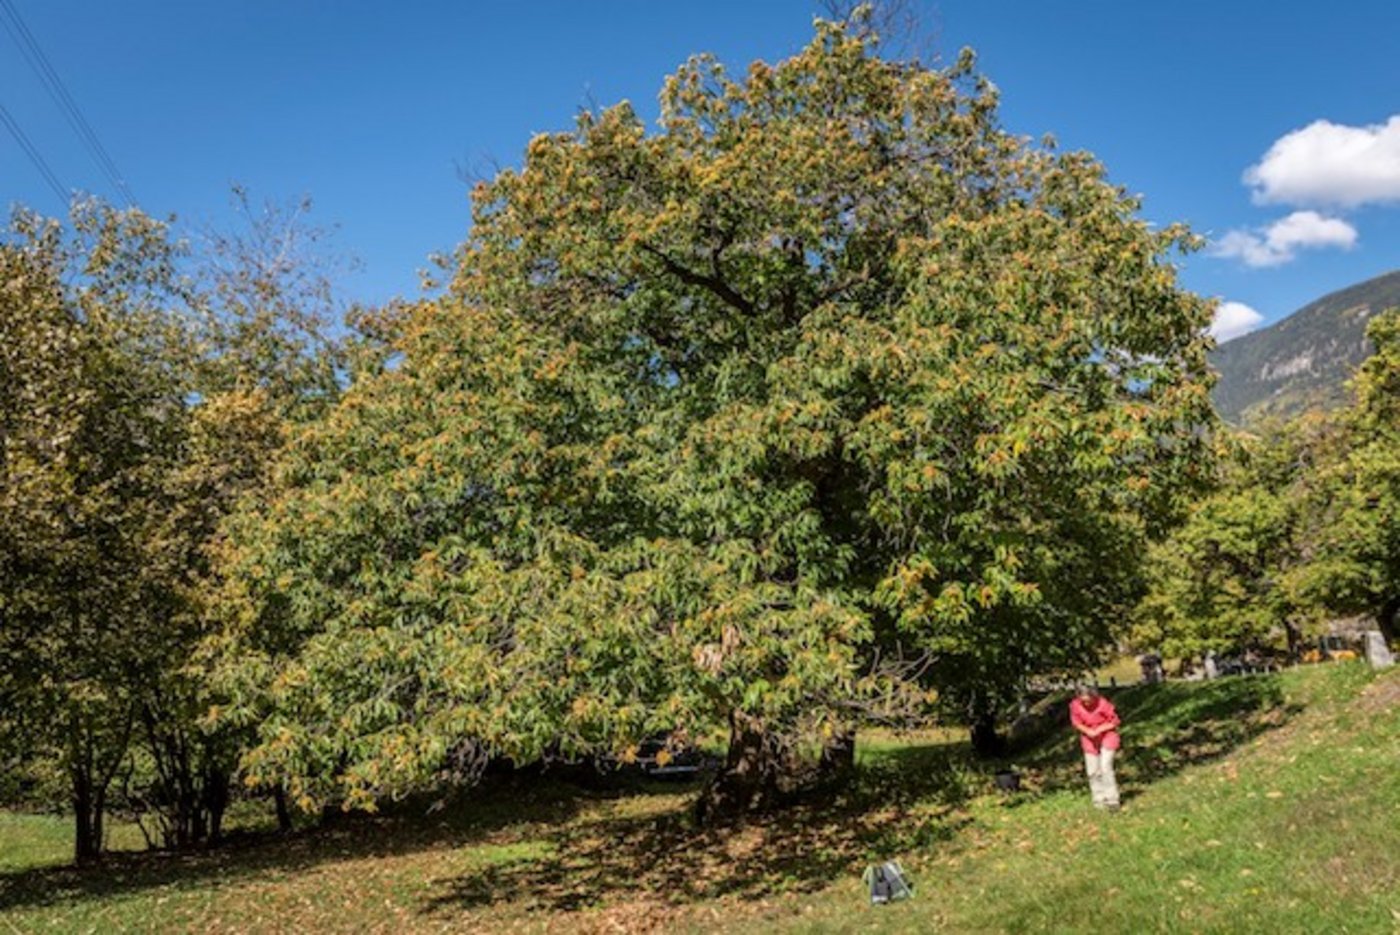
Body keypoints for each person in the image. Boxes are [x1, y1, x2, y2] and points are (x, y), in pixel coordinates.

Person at [1069, 683, 1121, 810]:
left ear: (1094, 697)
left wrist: (1099, 729)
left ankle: (1112, 799)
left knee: (1105, 766)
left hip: (1107, 736)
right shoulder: (1075, 705)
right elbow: (1076, 723)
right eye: (1083, 701)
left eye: (1089, 701)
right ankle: (1099, 800)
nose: (1087, 704)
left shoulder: (1103, 704)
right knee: (1092, 771)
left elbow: (1114, 721)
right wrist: (1088, 731)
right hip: (1089, 738)